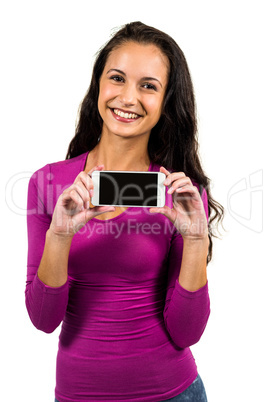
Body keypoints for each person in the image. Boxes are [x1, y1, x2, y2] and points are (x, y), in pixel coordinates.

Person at [26, 21, 224, 402]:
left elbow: (187, 332)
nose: (128, 98)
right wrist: (60, 235)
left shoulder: (179, 193)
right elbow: (43, 319)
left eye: (148, 86)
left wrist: (196, 239)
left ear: (165, 100)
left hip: (173, 393)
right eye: (117, 78)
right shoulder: (49, 184)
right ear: (99, 84)